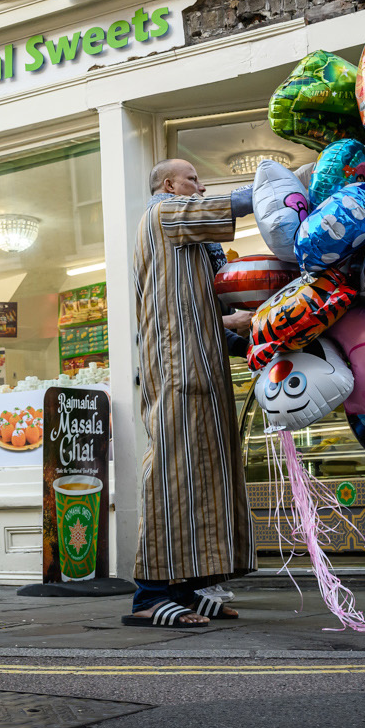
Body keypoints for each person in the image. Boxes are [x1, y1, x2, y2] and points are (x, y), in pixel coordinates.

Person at [125, 158, 257, 629]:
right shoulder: (163, 213)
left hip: (202, 372)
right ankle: (149, 595)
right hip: (178, 372)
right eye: (194, 179)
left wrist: (248, 336)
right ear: (169, 184)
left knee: (204, 479)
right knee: (170, 475)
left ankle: (189, 585)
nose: (200, 187)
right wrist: (286, 183)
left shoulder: (191, 245)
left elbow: (202, 319)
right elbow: (236, 203)